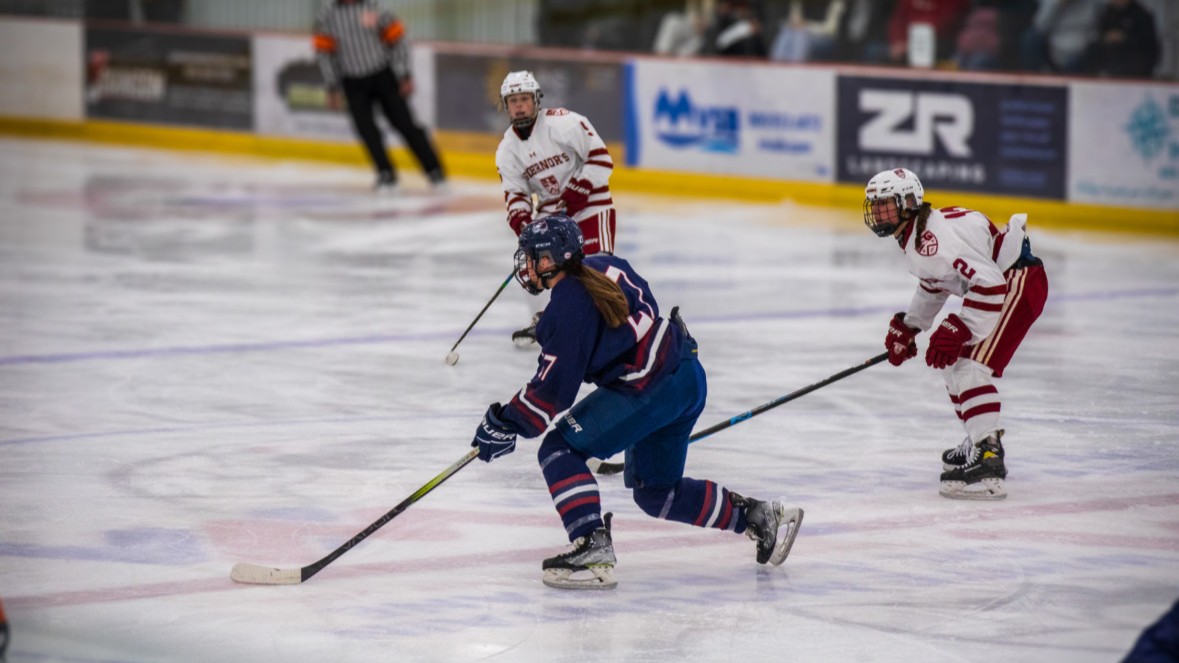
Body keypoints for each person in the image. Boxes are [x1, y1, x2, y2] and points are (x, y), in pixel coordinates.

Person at [469, 214, 803, 589]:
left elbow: (551, 394)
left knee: (558, 450)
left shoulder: (567, 309)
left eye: (532, 257)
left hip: (649, 392)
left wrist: (505, 422)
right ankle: (757, 516)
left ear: (549, 260)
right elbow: (619, 311)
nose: (527, 266)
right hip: (687, 376)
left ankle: (591, 543)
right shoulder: (604, 265)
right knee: (656, 492)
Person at [863, 168, 1048, 500]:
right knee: (956, 364)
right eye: (874, 206)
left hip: (1017, 282)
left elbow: (991, 283)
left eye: (886, 205)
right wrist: (910, 326)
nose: (878, 212)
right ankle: (980, 441)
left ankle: (989, 453)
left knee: (969, 367)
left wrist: (961, 325)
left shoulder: (932, 242)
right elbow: (937, 283)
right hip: (1011, 282)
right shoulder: (921, 234)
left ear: (908, 203)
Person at [495, 70, 618, 346]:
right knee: (532, 261)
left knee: (596, 265)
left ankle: (608, 318)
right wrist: (526, 226)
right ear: (506, 105)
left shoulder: (564, 124)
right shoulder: (507, 149)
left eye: (524, 98)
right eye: (513, 100)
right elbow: (515, 193)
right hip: (552, 211)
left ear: (536, 100)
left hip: (591, 203)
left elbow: (601, 159)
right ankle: (545, 318)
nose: (519, 105)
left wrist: (577, 190)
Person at [313, 0, 446, 193]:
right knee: (366, 130)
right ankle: (386, 173)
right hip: (352, 82)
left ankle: (434, 171)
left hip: (382, 76)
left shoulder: (374, 8)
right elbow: (324, 53)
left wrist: (404, 74)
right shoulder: (327, 15)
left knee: (405, 124)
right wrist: (332, 86)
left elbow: (398, 39)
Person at [1085, 0, 1160, 78]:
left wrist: (1124, 37)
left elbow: (1147, 44)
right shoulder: (1107, 13)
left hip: (1134, 59)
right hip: (1110, 56)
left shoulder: (1141, 15)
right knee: (1092, 50)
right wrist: (1107, 37)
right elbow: (1099, 33)